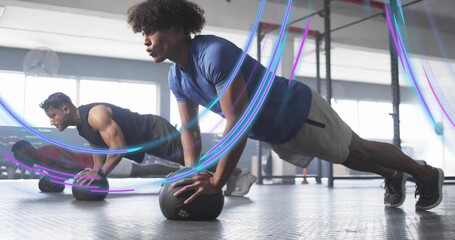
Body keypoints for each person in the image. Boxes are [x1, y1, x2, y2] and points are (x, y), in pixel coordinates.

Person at [126, 0, 444, 210]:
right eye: (142, 33)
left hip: (297, 111)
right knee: (349, 156)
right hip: (277, 132)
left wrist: (216, 181)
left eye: (150, 31)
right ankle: (393, 175)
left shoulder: (213, 54)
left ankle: (425, 173)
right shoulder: (176, 78)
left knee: (356, 151)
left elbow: (238, 120)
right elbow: (190, 132)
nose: (144, 40)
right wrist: (191, 171)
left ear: (178, 30)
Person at [39, 92, 256, 196]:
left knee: (190, 159)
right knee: (190, 160)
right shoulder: (82, 126)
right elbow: (99, 148)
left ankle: (241, 174)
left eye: (52, 115)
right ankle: (232, 175)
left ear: (65, 109)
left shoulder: (94, 115)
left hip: (154, 131)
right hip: (146, 138)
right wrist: (95, 170)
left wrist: (102, 174)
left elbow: (119, 148)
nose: (51, 120)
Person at [11, 139, 180, 178]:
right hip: (95, 170)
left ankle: (179, 171)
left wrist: (56, 177)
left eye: (21, 155)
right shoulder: (41, 162)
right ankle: (178, 171)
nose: (22, 161)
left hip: (99, 164)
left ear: (28, 148)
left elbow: (71, 166)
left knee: (142, 171)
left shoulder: (47, 152)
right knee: (140, 172)